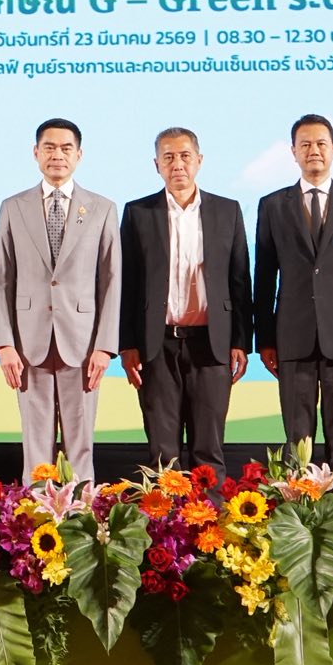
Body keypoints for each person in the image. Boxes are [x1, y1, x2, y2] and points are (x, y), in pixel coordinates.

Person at [253, 114, 333, 499]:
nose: (314, 151)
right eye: (305, 144)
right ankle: (299, 516)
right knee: (298, 440)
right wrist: (265, 340)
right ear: (293, 152)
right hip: (292, 338)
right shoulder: (273, 205)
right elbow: (264, 277)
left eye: (321, 143)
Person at [0, 118, 121, 481]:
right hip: (28, 343)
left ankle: (81, 509)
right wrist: (4, 343)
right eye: (49, 147)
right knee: (35, 441)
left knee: (81, 442)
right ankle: (36, 509)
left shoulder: (102, 208)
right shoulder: (13, 206)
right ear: (36, 153)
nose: (57, 155)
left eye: (66, 148)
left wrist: (105, 346)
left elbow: (111, 280)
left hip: (83, 344)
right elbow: (2, 278)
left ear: (79, 155)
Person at [120, 126, 251, 478]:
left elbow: (240, 281)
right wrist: (127, 344)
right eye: (168, 157)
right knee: (162, 452)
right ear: (156, 165)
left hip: (211, 343)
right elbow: (127, 283)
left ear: (199, 160)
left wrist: (240, 341)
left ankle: (210, 513)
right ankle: (167, 514)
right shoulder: (138, 213)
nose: (177, 164)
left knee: (208, 448)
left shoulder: (227, 210)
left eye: (184, 156)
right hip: (156, 344)